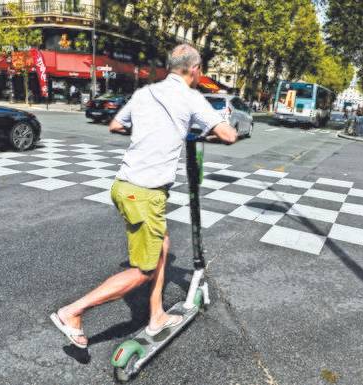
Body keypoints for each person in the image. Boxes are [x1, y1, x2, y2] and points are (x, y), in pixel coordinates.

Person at [50, 44, 237, 349]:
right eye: (200, 69)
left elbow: (116, 125)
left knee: (162, 244)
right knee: (143, 271)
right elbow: (228, 134)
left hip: (123, 185)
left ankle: (157, 315)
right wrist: (198, 132)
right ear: (194, 69)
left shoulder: (144, 93)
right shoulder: (190, 97)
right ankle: (72, 312)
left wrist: (154, 132)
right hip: (145, 193)